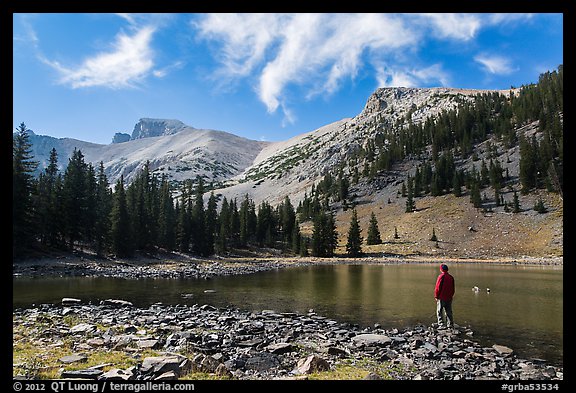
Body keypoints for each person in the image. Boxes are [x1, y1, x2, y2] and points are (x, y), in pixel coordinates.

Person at [434, 263, 455, 329]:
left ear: (441, 269)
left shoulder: (441, 276)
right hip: (449, 297)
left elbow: (438, 287)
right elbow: (453, 288)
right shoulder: (451, 277)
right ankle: (450, 324)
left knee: (439, 311)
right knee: (449, 311)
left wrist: (436, 296)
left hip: (441, 297)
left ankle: (441, 324)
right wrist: (451, 295)